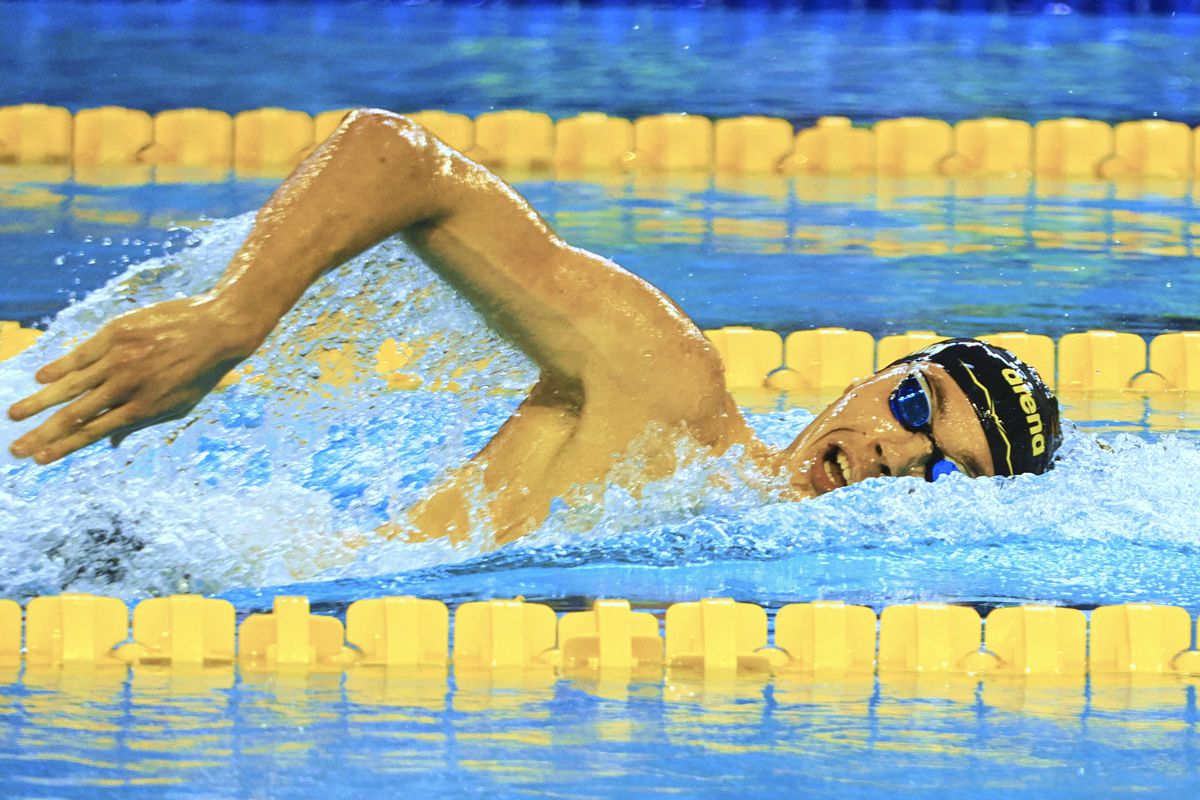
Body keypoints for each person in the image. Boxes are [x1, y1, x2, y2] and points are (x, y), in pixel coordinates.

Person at [5, 109, 1062, 546]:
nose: (891, 449)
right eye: (916, 405)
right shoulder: (665, 390)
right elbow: (396, 154)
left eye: (939, 470)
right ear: (879, 375)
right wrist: (235, 316)